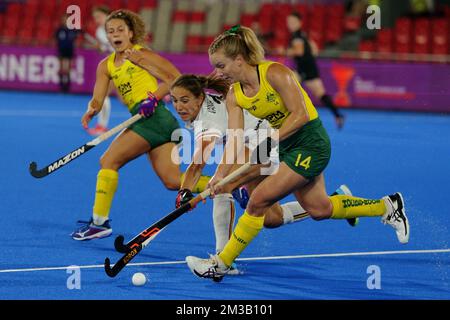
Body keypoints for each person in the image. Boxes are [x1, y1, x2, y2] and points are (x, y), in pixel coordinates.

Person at [185, 25, 409, 282]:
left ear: (239, 60)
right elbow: (235, 140)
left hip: (311, 142)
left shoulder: (275, 73)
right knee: (319, 208)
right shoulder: (235, 95)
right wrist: (220, 177)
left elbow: (300, 114)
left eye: (221, 65)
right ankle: (387, 206)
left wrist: (271, 139)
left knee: (258, 200)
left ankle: (221, 263)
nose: (218, 73)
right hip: (288, 146)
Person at [71, 10, 209, 240]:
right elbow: (98, 97)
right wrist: (91, 109)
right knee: (172, 181)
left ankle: (99, 222)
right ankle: (226, 184)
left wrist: (154, 97)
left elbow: (175, 79)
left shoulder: (140, 54)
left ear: (130, 33)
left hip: (154, 118)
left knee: (108, 161)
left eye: (120, 30)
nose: (114, 34)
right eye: (110, 31)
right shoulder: (106, 66)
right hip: (155, 122)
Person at [286, 12, 345, 129]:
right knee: (321, 94)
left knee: (287, 91)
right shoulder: (303, 35)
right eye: (288, 22)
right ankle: (338, 115)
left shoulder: (297, 36)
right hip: (310, 68)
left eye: (292, 22)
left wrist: (287, 51)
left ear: (299, 23)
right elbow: (314, 49)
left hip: (303, 70)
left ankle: (293, 119)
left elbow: (299, 52)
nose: (290, 24)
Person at [85, 5, 114, 135]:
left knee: (105, 95)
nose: (97, 20)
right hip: (113, 65)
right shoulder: (99, 32)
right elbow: (106, 49)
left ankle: (102, 126)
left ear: (107, 15)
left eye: (99, 16)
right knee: (106, 95)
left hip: (125, 64)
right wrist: (99, 47)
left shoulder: (116, 27)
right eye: (95, 17)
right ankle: (102, 126)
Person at [55, 14, 80, 93]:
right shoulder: (59, 30)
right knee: (62, 69)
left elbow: (76, 40)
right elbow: (56, 40)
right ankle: (61, 85)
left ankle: (67, 86)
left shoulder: (72, 30)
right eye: (64, 19)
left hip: (69, 51)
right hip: (61, 51)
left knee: (68, 69)